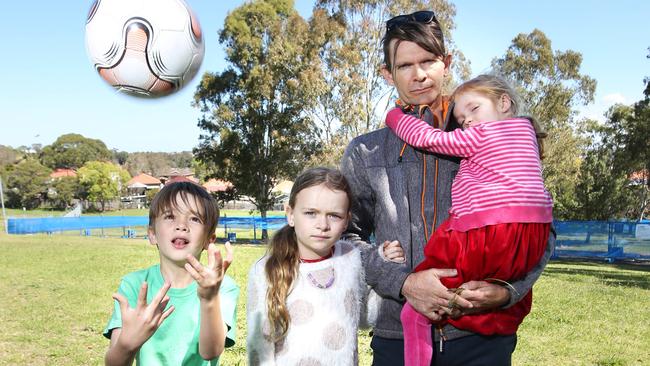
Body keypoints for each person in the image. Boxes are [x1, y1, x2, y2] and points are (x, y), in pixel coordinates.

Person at [340, 10, 555, 366]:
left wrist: (507, 292)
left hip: (482, 337)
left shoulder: (491, 138)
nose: (419, 74)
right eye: (405, 65)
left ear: (446, 62)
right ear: (387, 74)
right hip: (397, 337)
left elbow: (539, 227)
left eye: (428, 60)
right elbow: (344, 237)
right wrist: (404, 283)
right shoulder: (365, 152)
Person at [385, 74, 553, 366]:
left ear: (504, 102)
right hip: (530, 239)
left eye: (474, 109)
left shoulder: (484, 135)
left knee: (416, 309)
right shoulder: (528, 137)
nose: (468, 123)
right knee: (485, 293)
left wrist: (395, 116)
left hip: (486, 233)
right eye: (462, 120)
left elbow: (427, 138)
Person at [246, 167, 403, 365]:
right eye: (311, 213)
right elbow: (259, 347)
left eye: (334, 215)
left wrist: (384, 265)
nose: (323, 224)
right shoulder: (265, 270)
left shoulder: (350, 258)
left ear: (346, 220)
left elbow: (362, 317)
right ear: (291, 214)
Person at [103, 181, 239, 366]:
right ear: (152, 234)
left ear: (209, 239)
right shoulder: (134, 285)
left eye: (194, 219)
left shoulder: (223, 287)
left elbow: (211, 352)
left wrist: (209, 299)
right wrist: (127, 344)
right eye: (170, 216)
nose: (181, 225)